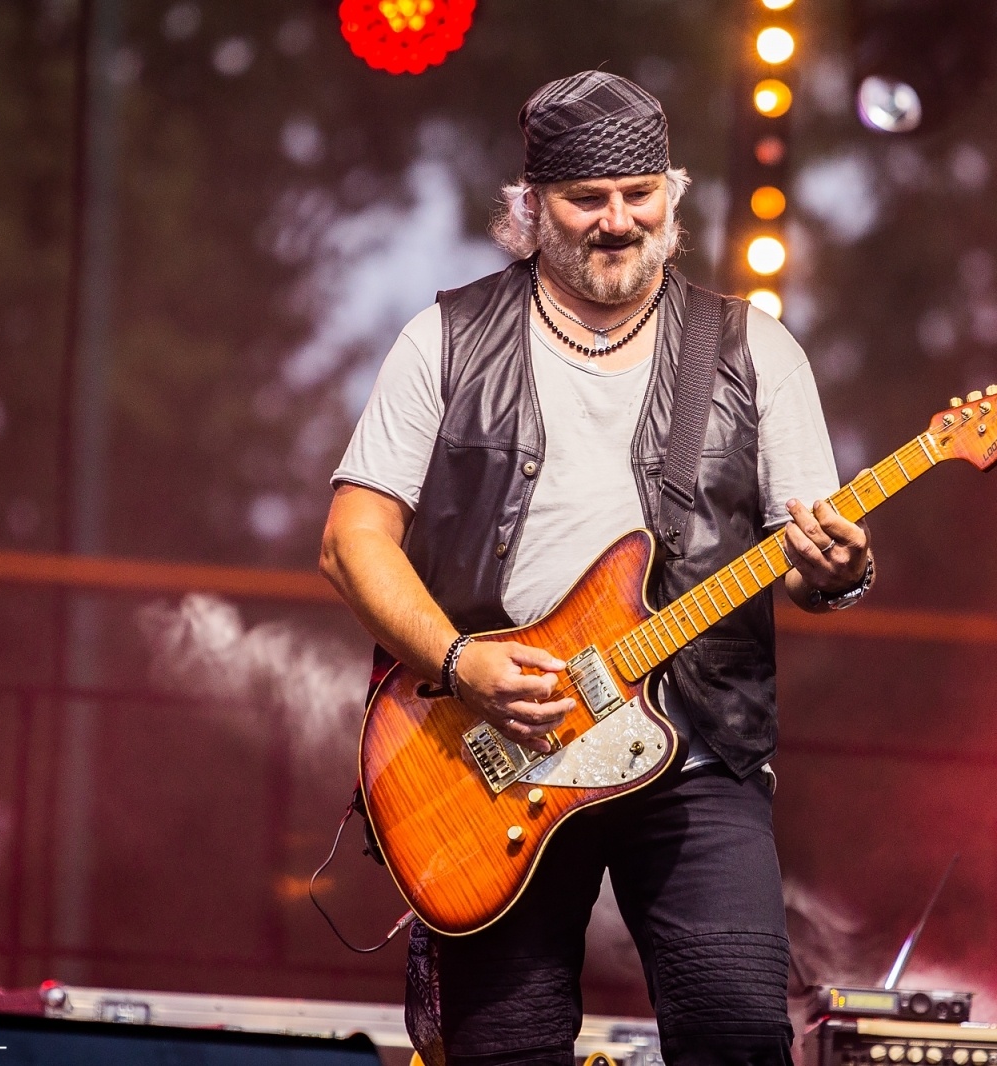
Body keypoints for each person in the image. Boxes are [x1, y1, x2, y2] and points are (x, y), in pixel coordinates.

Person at [320, 71, 873, 1066]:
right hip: (499, 740)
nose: (618, 221)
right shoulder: (442, 340)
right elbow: (350, 540)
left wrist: (836, 568)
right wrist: (459, 662)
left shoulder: (754, 349)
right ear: (530, 210)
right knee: (506, 1050)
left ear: (673, 192)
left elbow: (809, 560)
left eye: (640, 194)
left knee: (742, 1036)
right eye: (587, 199)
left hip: (700, 747)